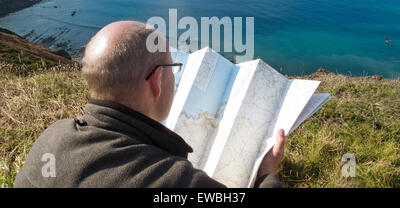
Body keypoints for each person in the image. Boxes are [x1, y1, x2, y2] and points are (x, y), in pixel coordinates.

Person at [14, 21, 286, 188]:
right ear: (156, 81)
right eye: (172, 68)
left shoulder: (51, 137)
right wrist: (266, 175)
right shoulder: (174, 180)